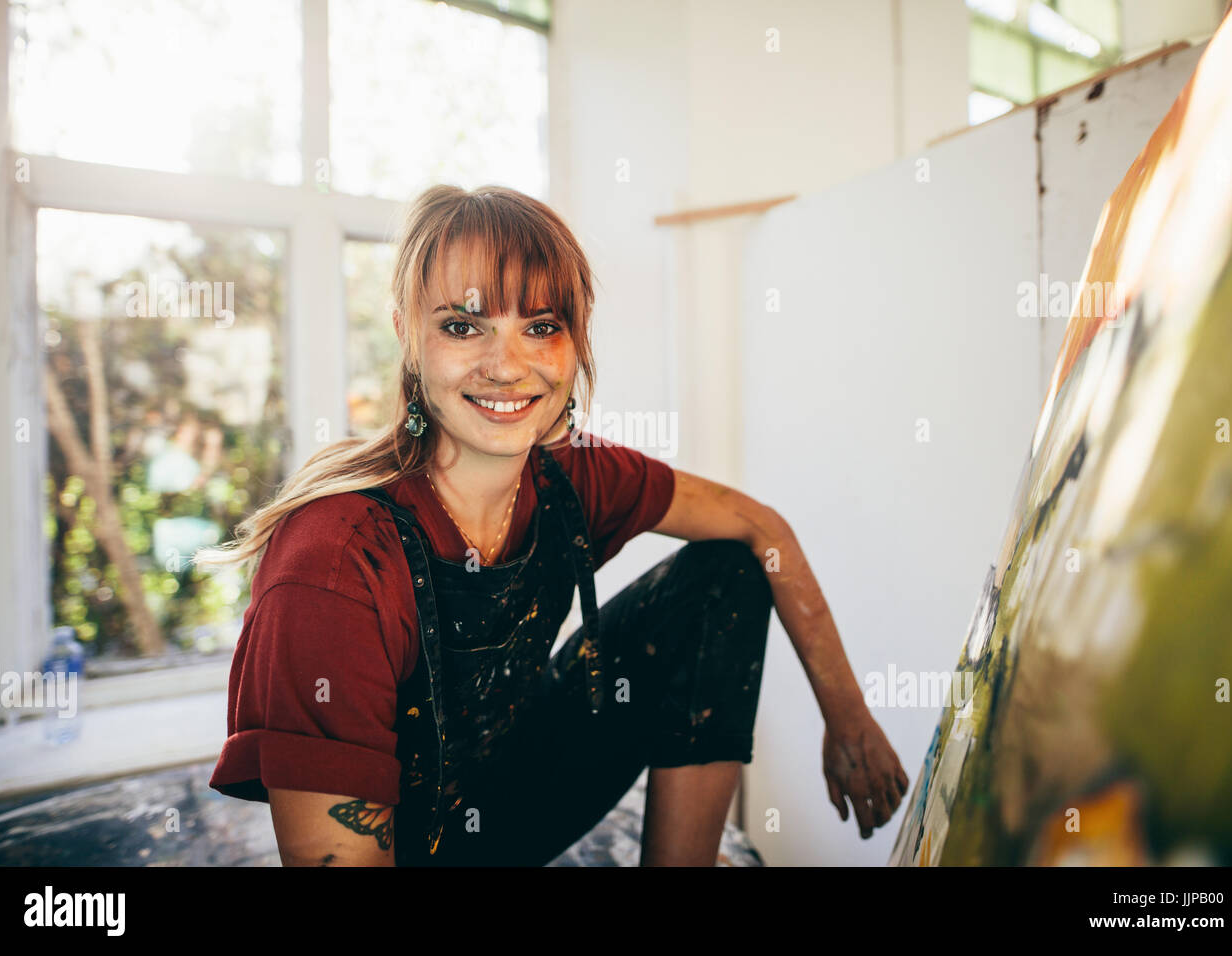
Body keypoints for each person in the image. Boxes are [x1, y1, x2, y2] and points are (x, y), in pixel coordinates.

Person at [198, 184, 907, 867]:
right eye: (461, 325)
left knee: (724, 575)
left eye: (541, 327)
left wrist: (847, 719)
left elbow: (762, 529)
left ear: (573, 343)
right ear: (407, 335)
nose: (507, 366)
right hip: (410, 847)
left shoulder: (571, 475)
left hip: (509, 800)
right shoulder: (334, 564)